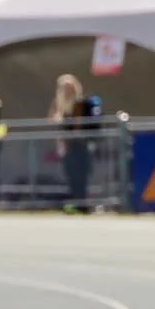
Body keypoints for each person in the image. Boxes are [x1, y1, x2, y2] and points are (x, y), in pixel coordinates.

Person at [49, 74, 97, 211]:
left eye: (69, 88)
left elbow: (81, 125)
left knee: (81, 176)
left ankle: (83, 205)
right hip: (67, 146)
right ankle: (76, 203)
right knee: (71, 176)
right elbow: (52, 118)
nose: (67, 91)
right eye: (64, 88)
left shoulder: (81, 103)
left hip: (81, 146)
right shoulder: (60, 105)